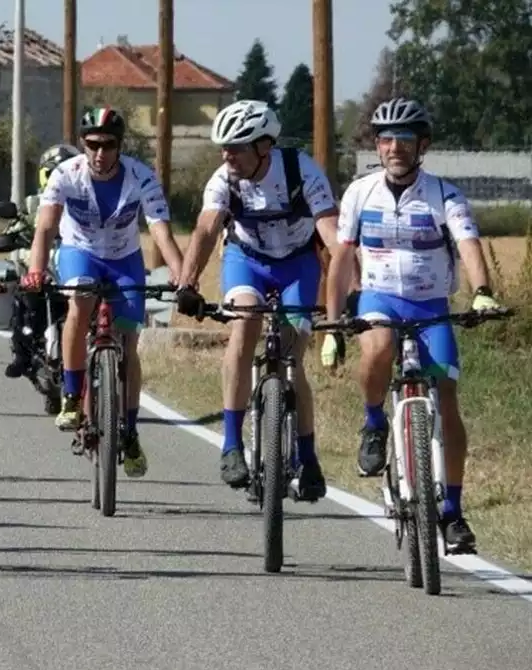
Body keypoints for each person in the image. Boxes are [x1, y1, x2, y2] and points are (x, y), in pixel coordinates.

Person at [324, 98, 500, 553]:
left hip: (430, 306)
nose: (394, 148)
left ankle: (453, 512)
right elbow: (342, 258)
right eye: (386, 139)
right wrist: (332, 322)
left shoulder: (445, 194)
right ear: (377, 146)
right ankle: (373, 423)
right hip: (379, 297)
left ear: (422, 145)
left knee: (448, 398)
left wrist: (482, 290)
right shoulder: (360, 193)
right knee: (377, 348)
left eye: (404, 140)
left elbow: (468, 244)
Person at [173, 99, 339, 501]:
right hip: (247, 260)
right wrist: (188, 283)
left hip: (297, 263)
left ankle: (307, 456)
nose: (227, 155)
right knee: (245, 324)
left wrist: (353, 285)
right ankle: (231, 445)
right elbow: (207, 228)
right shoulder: (223, 180)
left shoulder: (302, 171)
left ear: (265, 146)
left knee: (291, 356)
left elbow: (331, 232)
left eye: (237, 147)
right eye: (223, 148)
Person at [22, 107, 185, 478]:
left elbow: (161, 230)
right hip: (80, 253)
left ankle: (129, 430)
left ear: (119, 146)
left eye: (108, 145)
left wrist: (180, 273)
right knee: (79, 305)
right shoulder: (66, 174)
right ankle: (70, 396)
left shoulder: (141, 176)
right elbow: (46, 227)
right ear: (83, 144)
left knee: (128, 341)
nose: (100, 153)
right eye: (92, 144)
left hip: (124, 259)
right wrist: (35, 270)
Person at [3, 143, 78, 380]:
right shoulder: (33, 204)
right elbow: (17, 225)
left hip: (74, 268)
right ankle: (22, 354)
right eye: (52, 171)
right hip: (41, 271)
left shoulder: (84, 201)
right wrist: (13, 235)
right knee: (23, 297)